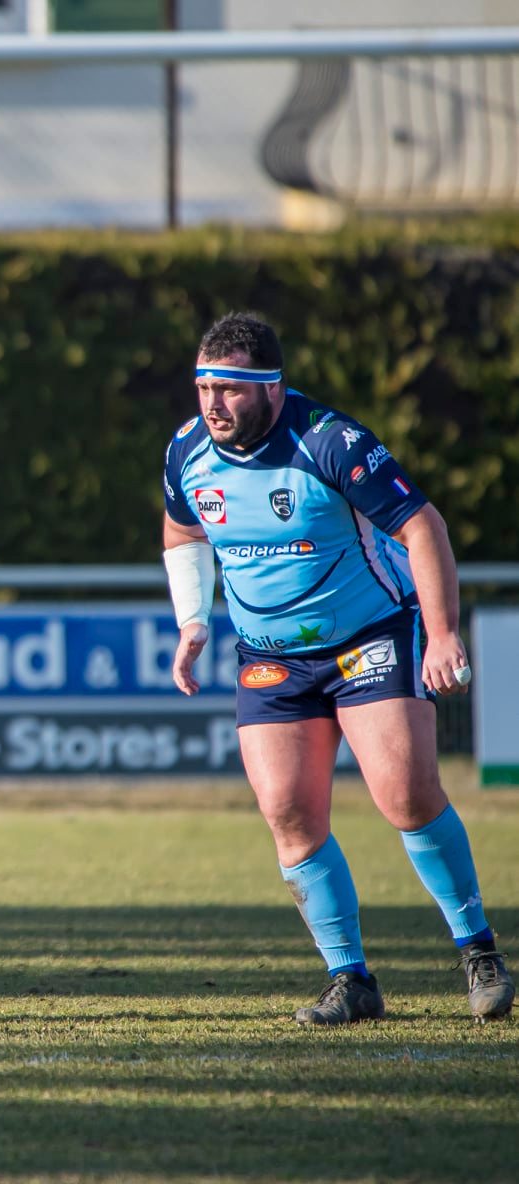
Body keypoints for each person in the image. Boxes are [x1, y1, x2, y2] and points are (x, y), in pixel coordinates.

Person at [163, 312, 512, 1025]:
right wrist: (193, 619)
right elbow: (181, 530)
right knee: (288, 812)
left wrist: (441, 633)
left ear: (269, 388)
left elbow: (422, 527)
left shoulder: (328, 442)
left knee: (406, 797)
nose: (211, 404)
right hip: (270, 657)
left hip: (368, 636)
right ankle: (350, 980)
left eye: (228, 389)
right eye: (203, 387)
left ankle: (479, 953)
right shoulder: (185, 451)